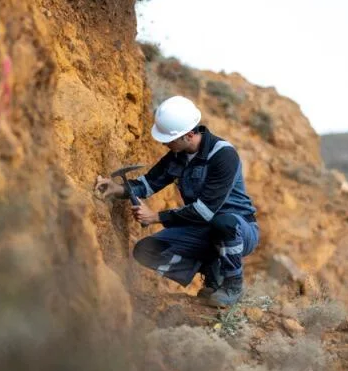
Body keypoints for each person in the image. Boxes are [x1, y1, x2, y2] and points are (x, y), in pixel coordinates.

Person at [95, 96, 259, 306]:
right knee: (145, 251)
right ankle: (212, 270)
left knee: (223, 222)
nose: (164, 143)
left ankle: (232, 284)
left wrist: (156, 217)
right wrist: (118, 189)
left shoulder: (223, 156)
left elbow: (205, 211)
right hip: (203, 230)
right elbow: (148, 183)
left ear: (189, 135)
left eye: (169, 139)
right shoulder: (177, 156)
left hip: (239, 230)